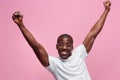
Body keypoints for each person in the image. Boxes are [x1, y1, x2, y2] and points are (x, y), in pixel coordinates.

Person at [12, 1, 111, 80]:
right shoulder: (53, 63)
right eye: (61, 44)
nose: (64, 47)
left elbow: (94, 33)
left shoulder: (80, 52)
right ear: (56, 46)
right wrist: (21, 25)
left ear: (72, 47)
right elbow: (36, 46)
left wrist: (106, 10)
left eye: (68, 45)